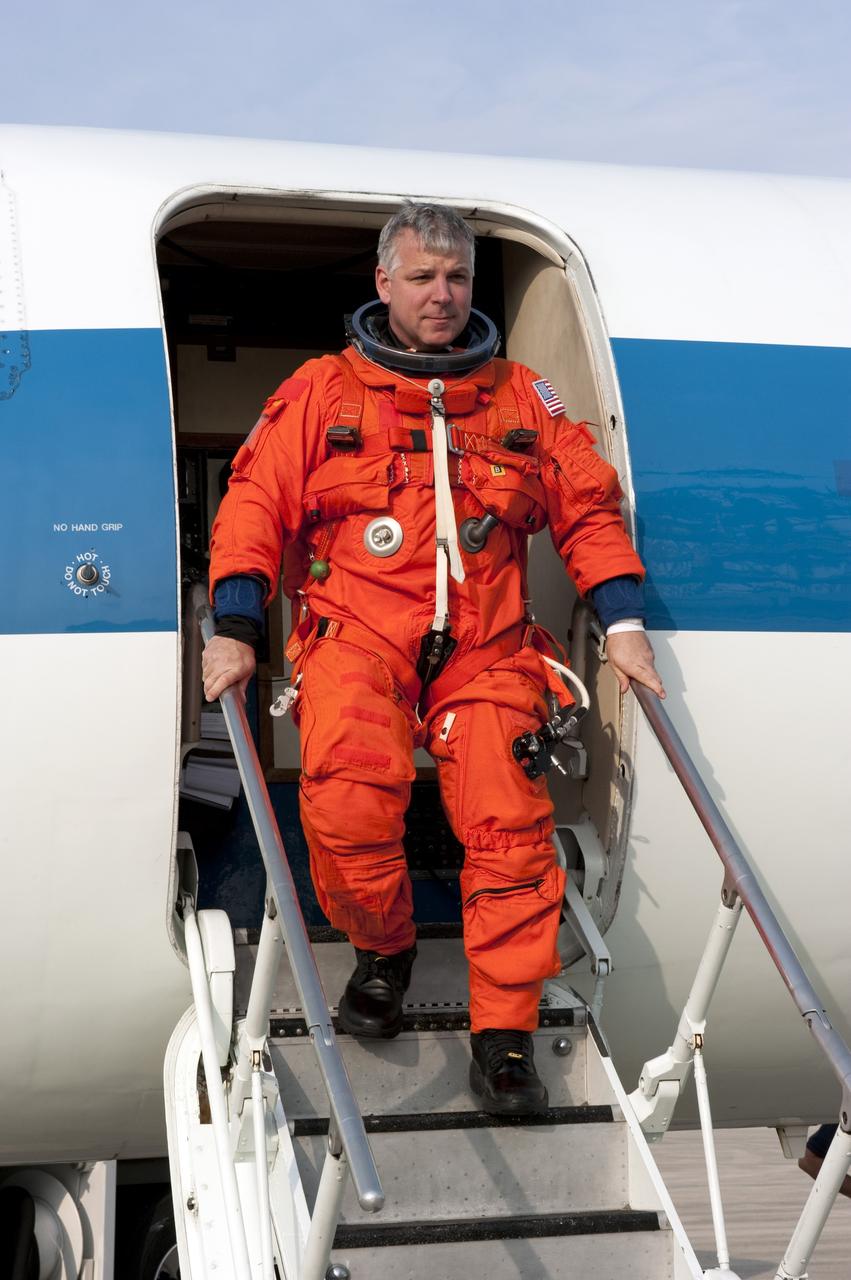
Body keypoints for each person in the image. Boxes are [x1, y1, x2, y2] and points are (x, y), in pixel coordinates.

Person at [202, 203, 665, 1115]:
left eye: (456, 278)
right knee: (342, 802)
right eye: (422, 278)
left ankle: (502, 1036)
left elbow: (586, 509)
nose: (442, 296)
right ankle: (384, 950)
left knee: (510, 833)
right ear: (383, 284)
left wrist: (621, 620)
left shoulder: (523, 399)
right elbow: (253, 506)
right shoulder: (320, 394)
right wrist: (235, 625)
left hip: (486, 651)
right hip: (356, 637)